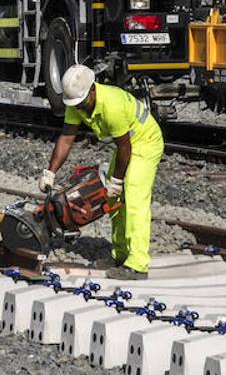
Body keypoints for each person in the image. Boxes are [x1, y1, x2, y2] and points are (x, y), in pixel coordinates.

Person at [38, 65, 164, 280]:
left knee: (133, 198)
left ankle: (138, 264)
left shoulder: (111, 104)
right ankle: (120, 255)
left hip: (146, 142)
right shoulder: (77, 103)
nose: (80, 108)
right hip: (127, 145)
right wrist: (50, 172)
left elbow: (125, 146)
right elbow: (66, 138)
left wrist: (117, 180)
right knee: (113, 201)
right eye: (75, 104)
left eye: (82, 103)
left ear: (93, 90)